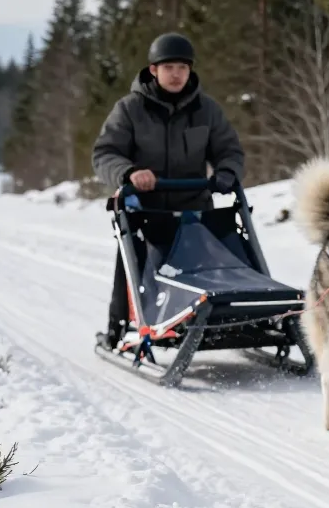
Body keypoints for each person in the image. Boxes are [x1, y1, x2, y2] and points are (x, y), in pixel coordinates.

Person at [92, 33, 245, 347]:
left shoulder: (207, 110)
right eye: (169, 67)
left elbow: (229, 150)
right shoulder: (130, 109)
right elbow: (105, 154)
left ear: (190, 71)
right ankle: (119, 326)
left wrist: (227, 173)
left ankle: (227, 319)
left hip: (196, 208)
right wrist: (130, 172)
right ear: (153, 70)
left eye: (182, 68)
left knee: (223, 257)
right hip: (147, 211)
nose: (176, 74)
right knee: (134, 260)